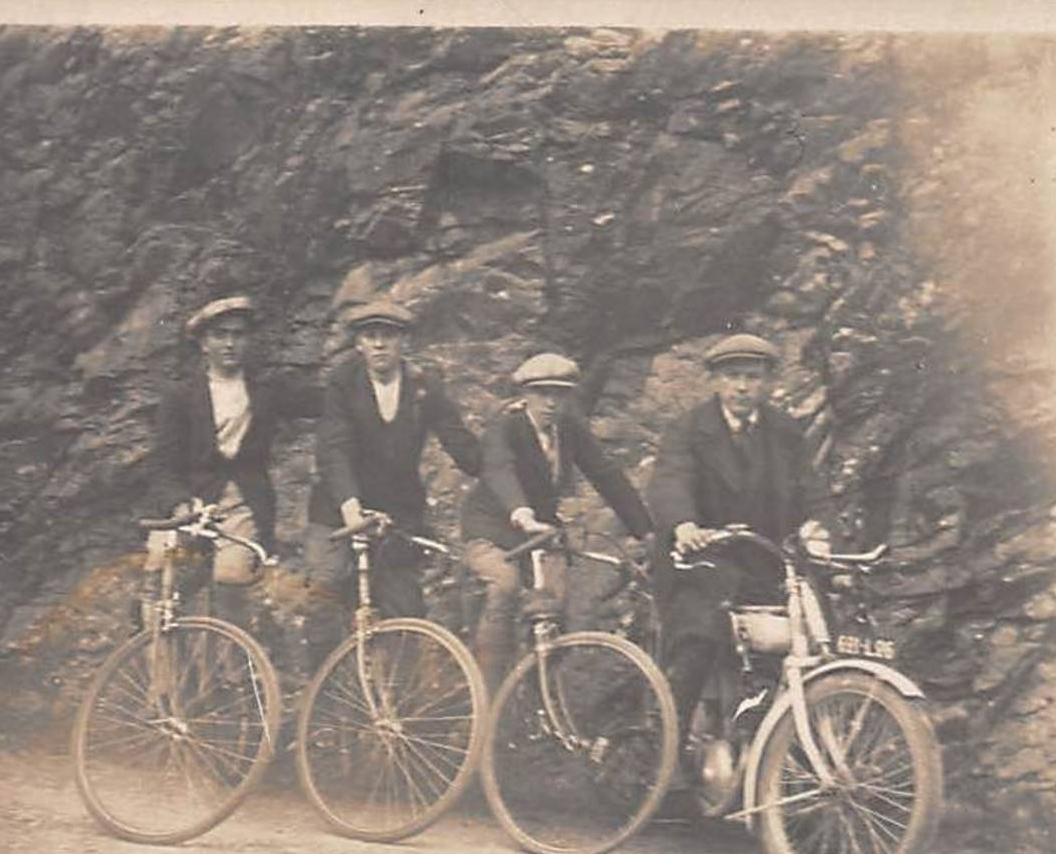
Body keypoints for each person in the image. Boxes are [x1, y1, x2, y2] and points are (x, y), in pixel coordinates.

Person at [647, 333, 838, 733]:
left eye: (753, 377)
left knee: (819, 632)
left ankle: (794, 745)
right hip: (698, 563)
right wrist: (685, 526)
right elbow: (671, 481)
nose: (742, 387)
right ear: (715, 381)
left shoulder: (784, 432)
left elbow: (813, 490)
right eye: (733, 376)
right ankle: (667, 750)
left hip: (764, 562)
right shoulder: (688, 429)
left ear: (768, 382)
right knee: (698, 637)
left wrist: (818, 527)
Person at [460, 351, 654, 690]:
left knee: (554, 611)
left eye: (560, 393)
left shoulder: (568, 429)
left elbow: (606, 475)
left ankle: (540, 701)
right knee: (504, 586)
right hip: (492, 530)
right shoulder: (506, 426)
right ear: (524, 394)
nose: (551, 402)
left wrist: (645, 531)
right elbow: (499, 468)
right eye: (542, 393)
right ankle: (486, 695)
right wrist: (521, 513)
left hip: (540, 534)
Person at [301, 299, 482, 661]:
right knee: (325, 591)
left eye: (389, 336)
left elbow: (458, 440)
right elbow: (333, 449)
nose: (380, 344)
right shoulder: (343, 381)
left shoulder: (423, 385)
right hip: (338, 508)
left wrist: (493, 465)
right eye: (371, 336)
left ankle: (400, 708)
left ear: (404, 343)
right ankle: (321, 700)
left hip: (396, 511)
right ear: (359, 344)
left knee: (407, 610)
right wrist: (351, 509)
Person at [145, 294, 321, 625]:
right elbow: (161, 466)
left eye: (238, 335)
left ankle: (234, 674)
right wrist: (180, 505)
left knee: (232, 580)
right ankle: (164, 672)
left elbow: (323, 402)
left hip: (241, 504)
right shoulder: (180, 397)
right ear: (203, 343)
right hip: (190, 502)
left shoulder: (266, 392)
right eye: (220, 335)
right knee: (159, 575)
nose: (230, 343)